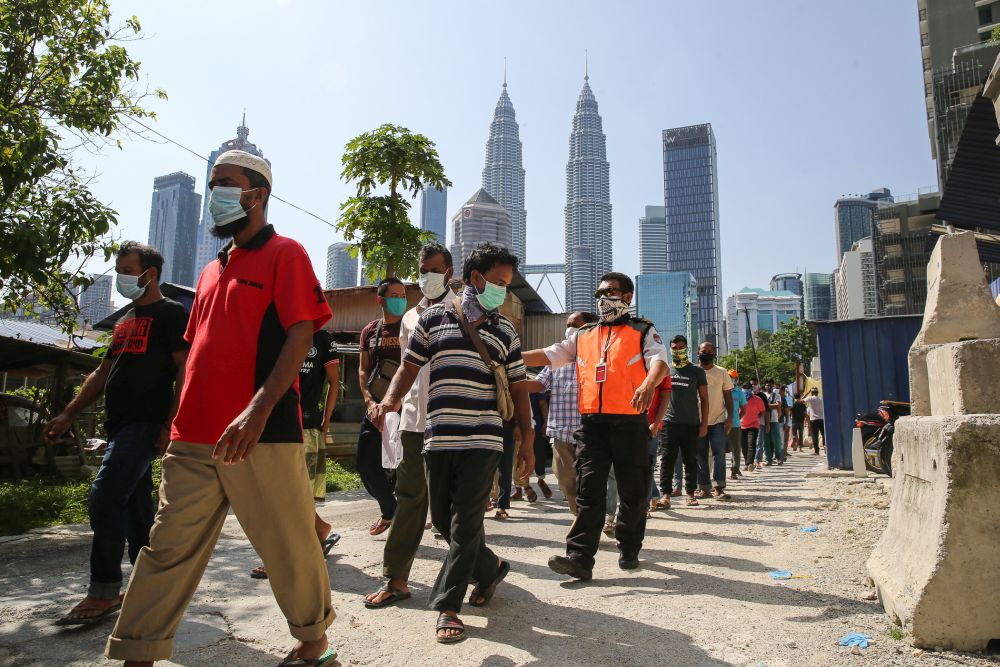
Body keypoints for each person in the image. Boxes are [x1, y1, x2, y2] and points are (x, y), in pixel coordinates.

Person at [104, 150, 336, 667]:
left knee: (288, 544)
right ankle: (137, 651)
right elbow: (194, 357)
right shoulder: (210, 272)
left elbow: (301, 332)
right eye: (213, 185)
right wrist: (173, 419)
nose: (215, 196)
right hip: (192, 436)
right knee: (165, 548)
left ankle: (314, 640)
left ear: (258, 195)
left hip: (261, 432)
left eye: (225, 184)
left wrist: (257, 410)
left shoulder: (286, 254)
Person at [369, 242, 533, 643]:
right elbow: (408, 368)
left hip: (484, 438)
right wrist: (389, 401)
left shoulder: (505, 329)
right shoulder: (431, 320)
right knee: (442, 521)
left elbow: (518, 386)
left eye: (508, 286)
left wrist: (526, 439)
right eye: (499, 283)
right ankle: (490, 568)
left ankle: (448, 606)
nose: (503, 292)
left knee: (463, 525)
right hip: (438, 437)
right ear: (476, 279)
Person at [47, 242, 189, 627]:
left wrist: (168, 425)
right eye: (119, 269)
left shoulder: (171, 313)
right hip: (119, 424)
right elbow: (102, 373)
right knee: (137, 507)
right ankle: (152, 585)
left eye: (127, 269)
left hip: (146, 423)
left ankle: (104, 591)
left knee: (105, 495)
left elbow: (184, 371)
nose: (121, 276)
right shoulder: (126, 319)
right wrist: (68, 413)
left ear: (150, 273)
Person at [522, 272, 669, 579]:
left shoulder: (642, 330)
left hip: (629, 423)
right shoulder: (584, 334)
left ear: (627, 297)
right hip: (592, 425)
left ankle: (629, 547)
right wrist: (510, 357)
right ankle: (579, 558)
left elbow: (659, 361)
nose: (603, 299)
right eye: (599, 293)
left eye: (610, 292)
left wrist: (647, 384)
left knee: (632, 490)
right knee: (588, 491)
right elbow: (551, 355)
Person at [363, 243, 457, 610]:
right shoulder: (409, 319)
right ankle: (396, 578)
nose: (426, 277)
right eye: (422, 269)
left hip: (453, 422)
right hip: (415, 420)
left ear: (449, 272)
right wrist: (390, 404)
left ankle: (485, 567)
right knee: (409, 499)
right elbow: (407, 367)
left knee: (452, 510)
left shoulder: (464, 309)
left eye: (434, 270)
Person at [250, 328, 341, 579]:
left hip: (307, 426)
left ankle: (285, 556)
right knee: (282, 494)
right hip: (274, 425)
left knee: (291, 494)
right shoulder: (279, 333)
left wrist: (325, 425)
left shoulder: (323, 339)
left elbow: (334, 383)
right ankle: (319, 529)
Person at [524, 311, 599, 516]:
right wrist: (512, 382)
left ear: (590, 328)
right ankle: (580, 516)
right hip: (562, 432)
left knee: (591, 480)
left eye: (574, 324)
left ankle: (589, 521)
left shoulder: (600, 356)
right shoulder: (556, 359)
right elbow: (539, 384)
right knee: (566, 479)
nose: (569, 329)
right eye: (567, 324)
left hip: (592, 432)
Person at [357, 277, 405, 535]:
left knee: (401, 468)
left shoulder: (411, 328)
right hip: (375, 408)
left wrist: (395, 404)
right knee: (366, 464)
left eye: (402, 295)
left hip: (404, 410)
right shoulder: (370, 331)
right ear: (381, 300)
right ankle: (390, 509)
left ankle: (402, 517)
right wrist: (369, 401)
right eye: (394, 295)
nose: (400, 300)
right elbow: (363, 369)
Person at [659, 335, 709, 506]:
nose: (677, 351)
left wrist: (704, 424)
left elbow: (704, 398)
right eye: (674, 348)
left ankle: (690, 493)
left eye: (680, 347)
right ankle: (665, 494)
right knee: (667, 459)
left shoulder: (697, 371)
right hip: (669, 423)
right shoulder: (665, 369)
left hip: (691, 423)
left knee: (691, 460)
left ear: (686, 348)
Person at [695, 342, 733, 499]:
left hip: (718, 421)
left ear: (714, 353)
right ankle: (704, 488)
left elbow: (728, 397)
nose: (707, 353)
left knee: (719, 454)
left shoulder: (722, 372)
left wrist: (730, 418)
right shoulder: (693, 372)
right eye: (704, 351)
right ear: (698, 353)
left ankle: (719, 488)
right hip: (697, 422)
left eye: (710, 351)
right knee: (701, 455)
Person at [740, 383, 768, 472]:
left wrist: (757, 417)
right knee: (744, 446)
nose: (746, 390)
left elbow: (763, 411)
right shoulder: (740, 399)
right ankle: (746, 463)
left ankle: (750, 464)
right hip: (741, 426)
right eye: (744, 388)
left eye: (748, 388)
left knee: (751, 444)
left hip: (753, 425)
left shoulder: (757, 399)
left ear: (751, 389)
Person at [727, 369, 746, 479]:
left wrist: (737, 418)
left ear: (736, 379)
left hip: (735, 424)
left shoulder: (739, 392)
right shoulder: (721, 389)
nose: (731, 379)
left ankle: (734, 470)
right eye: (729, 377)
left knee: (736, 449)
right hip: (720, 423)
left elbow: (743, 409)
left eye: (733, 377)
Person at [803, 387, 826, 454]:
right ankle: (825, 446)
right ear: (817, 393)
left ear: (812, 393)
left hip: (814, 420)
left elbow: (801, 400)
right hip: (821, 419)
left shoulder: (810, 398)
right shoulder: (821, 399)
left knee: (815, 435)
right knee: (823, 434)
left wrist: (806, 394)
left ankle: (816, 451)